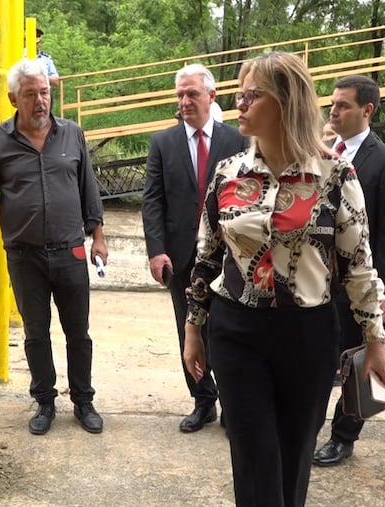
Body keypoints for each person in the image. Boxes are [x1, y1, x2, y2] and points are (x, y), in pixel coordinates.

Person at [182, 51, 385, 506]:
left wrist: (376, 340)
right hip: (236, 330)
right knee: (253, 454)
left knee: (295, 453)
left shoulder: (335, 175)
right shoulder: (227, 174)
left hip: (307, 334)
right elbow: (207, 257)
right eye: (238, 94)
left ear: (286, 102)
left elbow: (359, 266)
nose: (239, 104)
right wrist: (193, 328)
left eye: (251, 95)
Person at [0, 58, 107, 436]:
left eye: (44, 92)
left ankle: (83, 400)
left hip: (70, 251)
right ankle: (45, 401)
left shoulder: (72, 134)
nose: (40, 101)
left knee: (78, 332)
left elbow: (88, 189)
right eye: (31, 94)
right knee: (36, 333)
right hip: (24, 255)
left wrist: (98, 238)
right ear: (14, 99)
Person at [142, 63, 249, 433]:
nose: (185, 101)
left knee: (229, 330)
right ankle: (203, 401)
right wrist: (156, 250)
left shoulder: (237, 140)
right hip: (182, 254)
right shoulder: (163, 143)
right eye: (180, 95)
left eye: (192, 94)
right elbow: (152, 201)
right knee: (189, 328)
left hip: (231, 256)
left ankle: (233, 403)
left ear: (211, 96)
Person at [313, 75, 385, 467]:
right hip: (314, 281)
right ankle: (305, 427)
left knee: (357, 363)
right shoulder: (317, 153)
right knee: (316, 362)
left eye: (343, 105)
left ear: (367, 110)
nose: (334, 111)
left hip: (357, 285)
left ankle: (343, 436)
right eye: (332, 104)